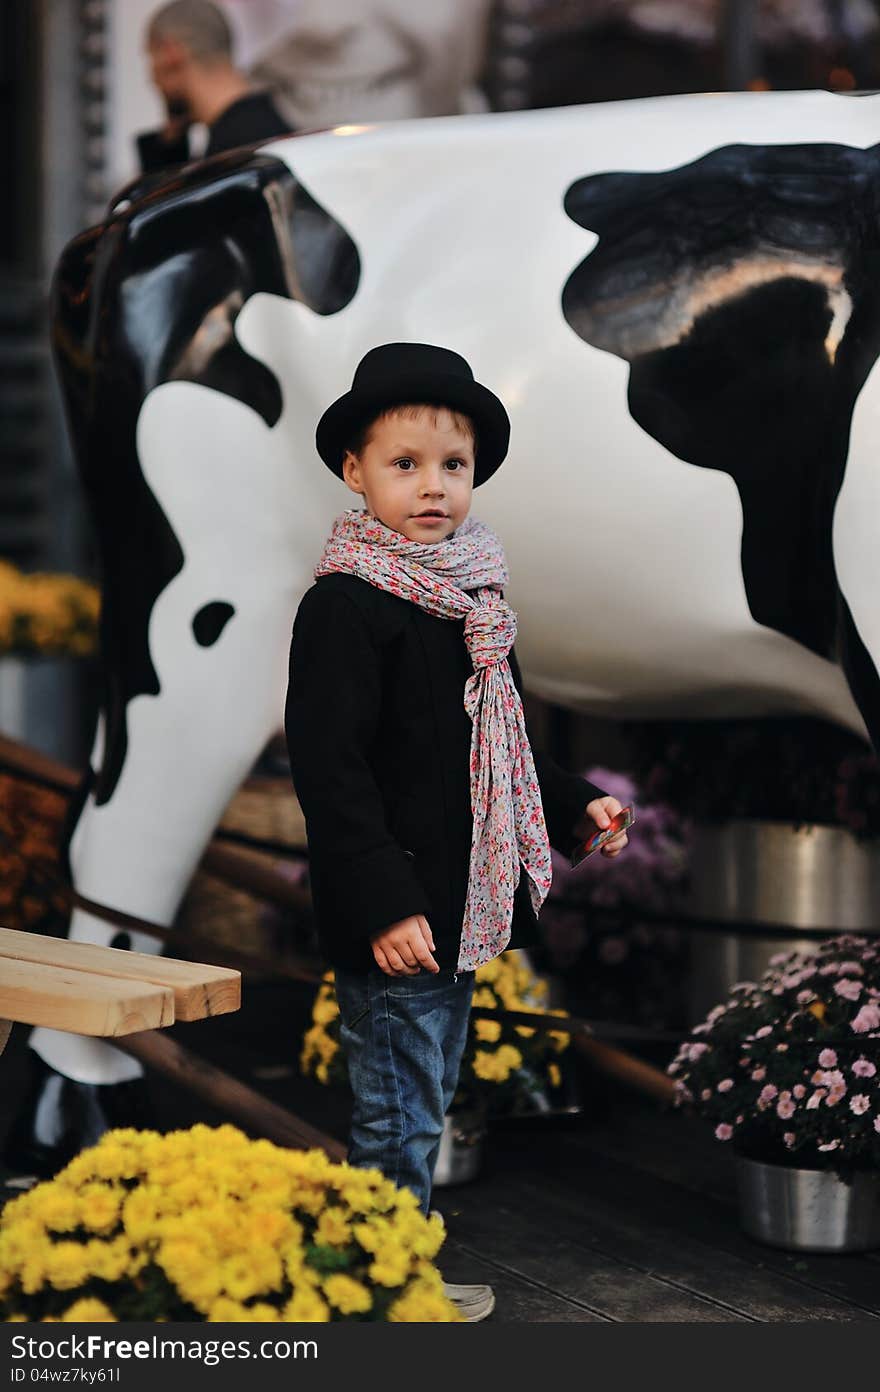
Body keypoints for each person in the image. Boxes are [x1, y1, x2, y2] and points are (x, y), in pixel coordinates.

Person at [285, 342, 630, 1321]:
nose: (432, 486)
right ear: (355, 473)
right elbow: (332, 775)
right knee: (397, 1112)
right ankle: (380, 1291)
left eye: (453, 466)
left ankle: (389, 1272)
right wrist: (384, 902)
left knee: (424, 1099)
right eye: (404, 464)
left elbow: (505, 746)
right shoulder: (346, 607)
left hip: (455, 905)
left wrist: (575, 805)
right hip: (396, 914)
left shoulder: (471, 600)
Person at [137, 1, 290, 174]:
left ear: (170, 55)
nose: (153, 80)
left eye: (151, 58)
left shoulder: (230, 156)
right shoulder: (271, 124)